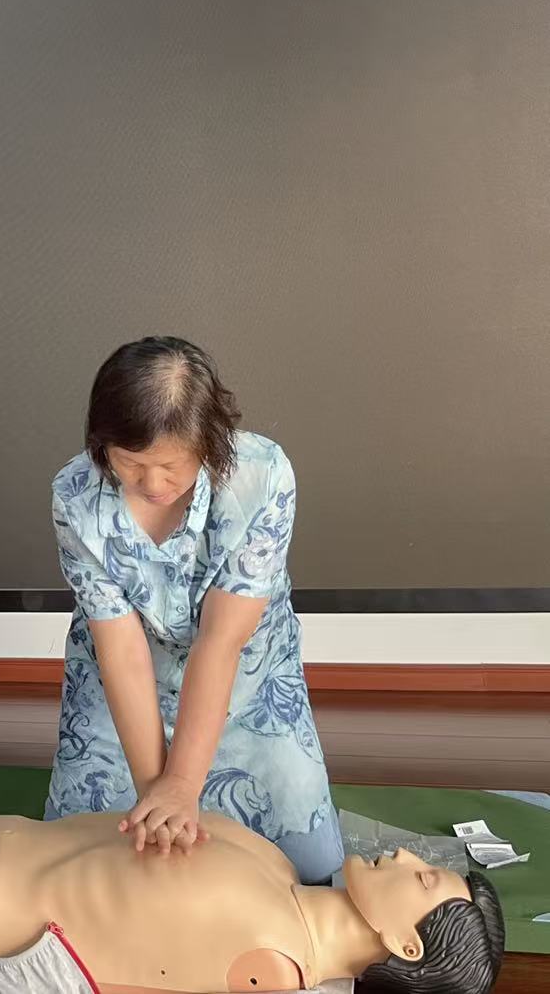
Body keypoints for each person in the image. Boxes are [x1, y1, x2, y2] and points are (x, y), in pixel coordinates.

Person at [44, 338, 342, 884]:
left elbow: (220, 643)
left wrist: (182, 784)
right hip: (121, 677)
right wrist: (155, 796)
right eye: (131, 463)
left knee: (313, 865)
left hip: (245, 672)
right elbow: (121, 651)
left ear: (207, 442)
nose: (152, 484)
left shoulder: (263, 476)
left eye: (170, 465)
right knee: (84, 857)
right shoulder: (75, 495)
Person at [0, 809, 504, 994]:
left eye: (424, 878)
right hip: (8, 844)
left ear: (406, 945)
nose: (407, 854)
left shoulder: (269, 964)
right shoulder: (281, 870)